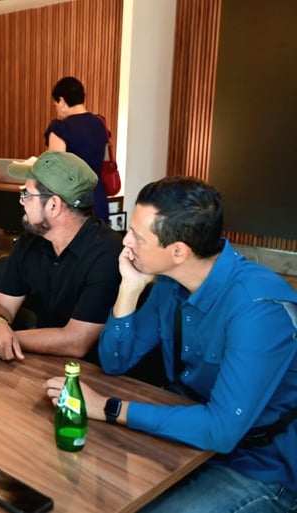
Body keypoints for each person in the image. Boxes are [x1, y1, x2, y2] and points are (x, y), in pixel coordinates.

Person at [43, 177, 297, 512]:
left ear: (178, 251)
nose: (125, 241)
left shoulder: (257, 308)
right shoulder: (169, 282)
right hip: (187, 439)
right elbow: (115, 362)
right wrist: (129, 288)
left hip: (260, 465)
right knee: (72, 484)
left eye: (137, 236)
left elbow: (221, 430)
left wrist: (109, 408)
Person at [0, 151, 122, 363]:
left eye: (27, 194)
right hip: (42, 362)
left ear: (54, 205)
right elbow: (1, 304)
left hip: (91, 373)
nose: (22, 202)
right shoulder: (31, 242)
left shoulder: (107, 253)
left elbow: (76, 342)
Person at [44, 77, 109, 221]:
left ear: (62, 101)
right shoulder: (99, 124)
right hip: (98, 197)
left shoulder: (61, 128)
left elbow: (54, 172)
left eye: (56, 104)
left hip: (73, 201)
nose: (57, 109)